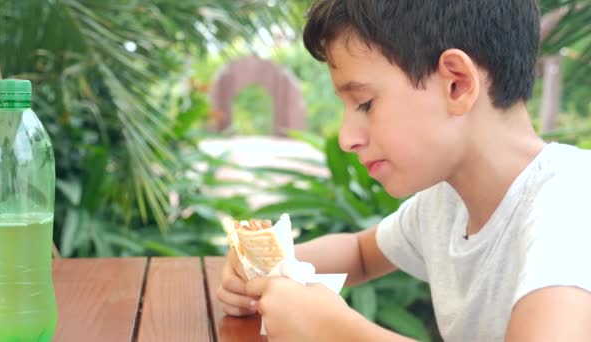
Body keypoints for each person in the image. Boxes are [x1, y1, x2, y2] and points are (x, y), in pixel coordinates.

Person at [216, 0, 591, 340]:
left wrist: (338, 332)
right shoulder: (445, 204)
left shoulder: (571, 203)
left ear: (457, 84)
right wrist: (273, 268)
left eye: (364, 103)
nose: (347, 138)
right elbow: (361, 254)